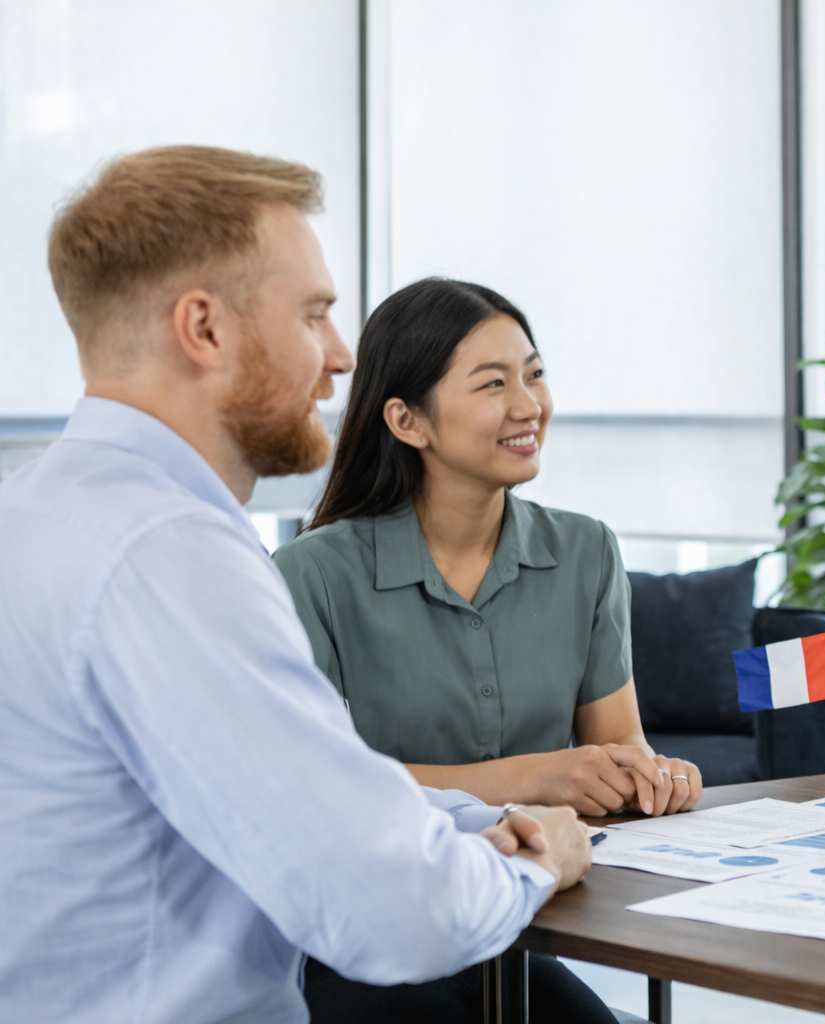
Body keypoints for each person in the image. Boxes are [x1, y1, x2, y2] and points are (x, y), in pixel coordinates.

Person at [0, 146, 594, 1024]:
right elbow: (397, 912)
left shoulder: (38, 516)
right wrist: (539, 862)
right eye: (314, 315)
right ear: (204, 329)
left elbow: (293, 787)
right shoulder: (171, 557)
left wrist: (467, 820)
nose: (341, 356)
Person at [271, 277, 701, 1019]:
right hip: (370, 939)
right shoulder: (313, 574)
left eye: (534, 374)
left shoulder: (586, 552)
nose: (529, 405)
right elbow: (315, 791)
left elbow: (618, 749)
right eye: (494, 383)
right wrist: (537, 777)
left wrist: (649, 777)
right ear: (407, 420)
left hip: (520, 928)